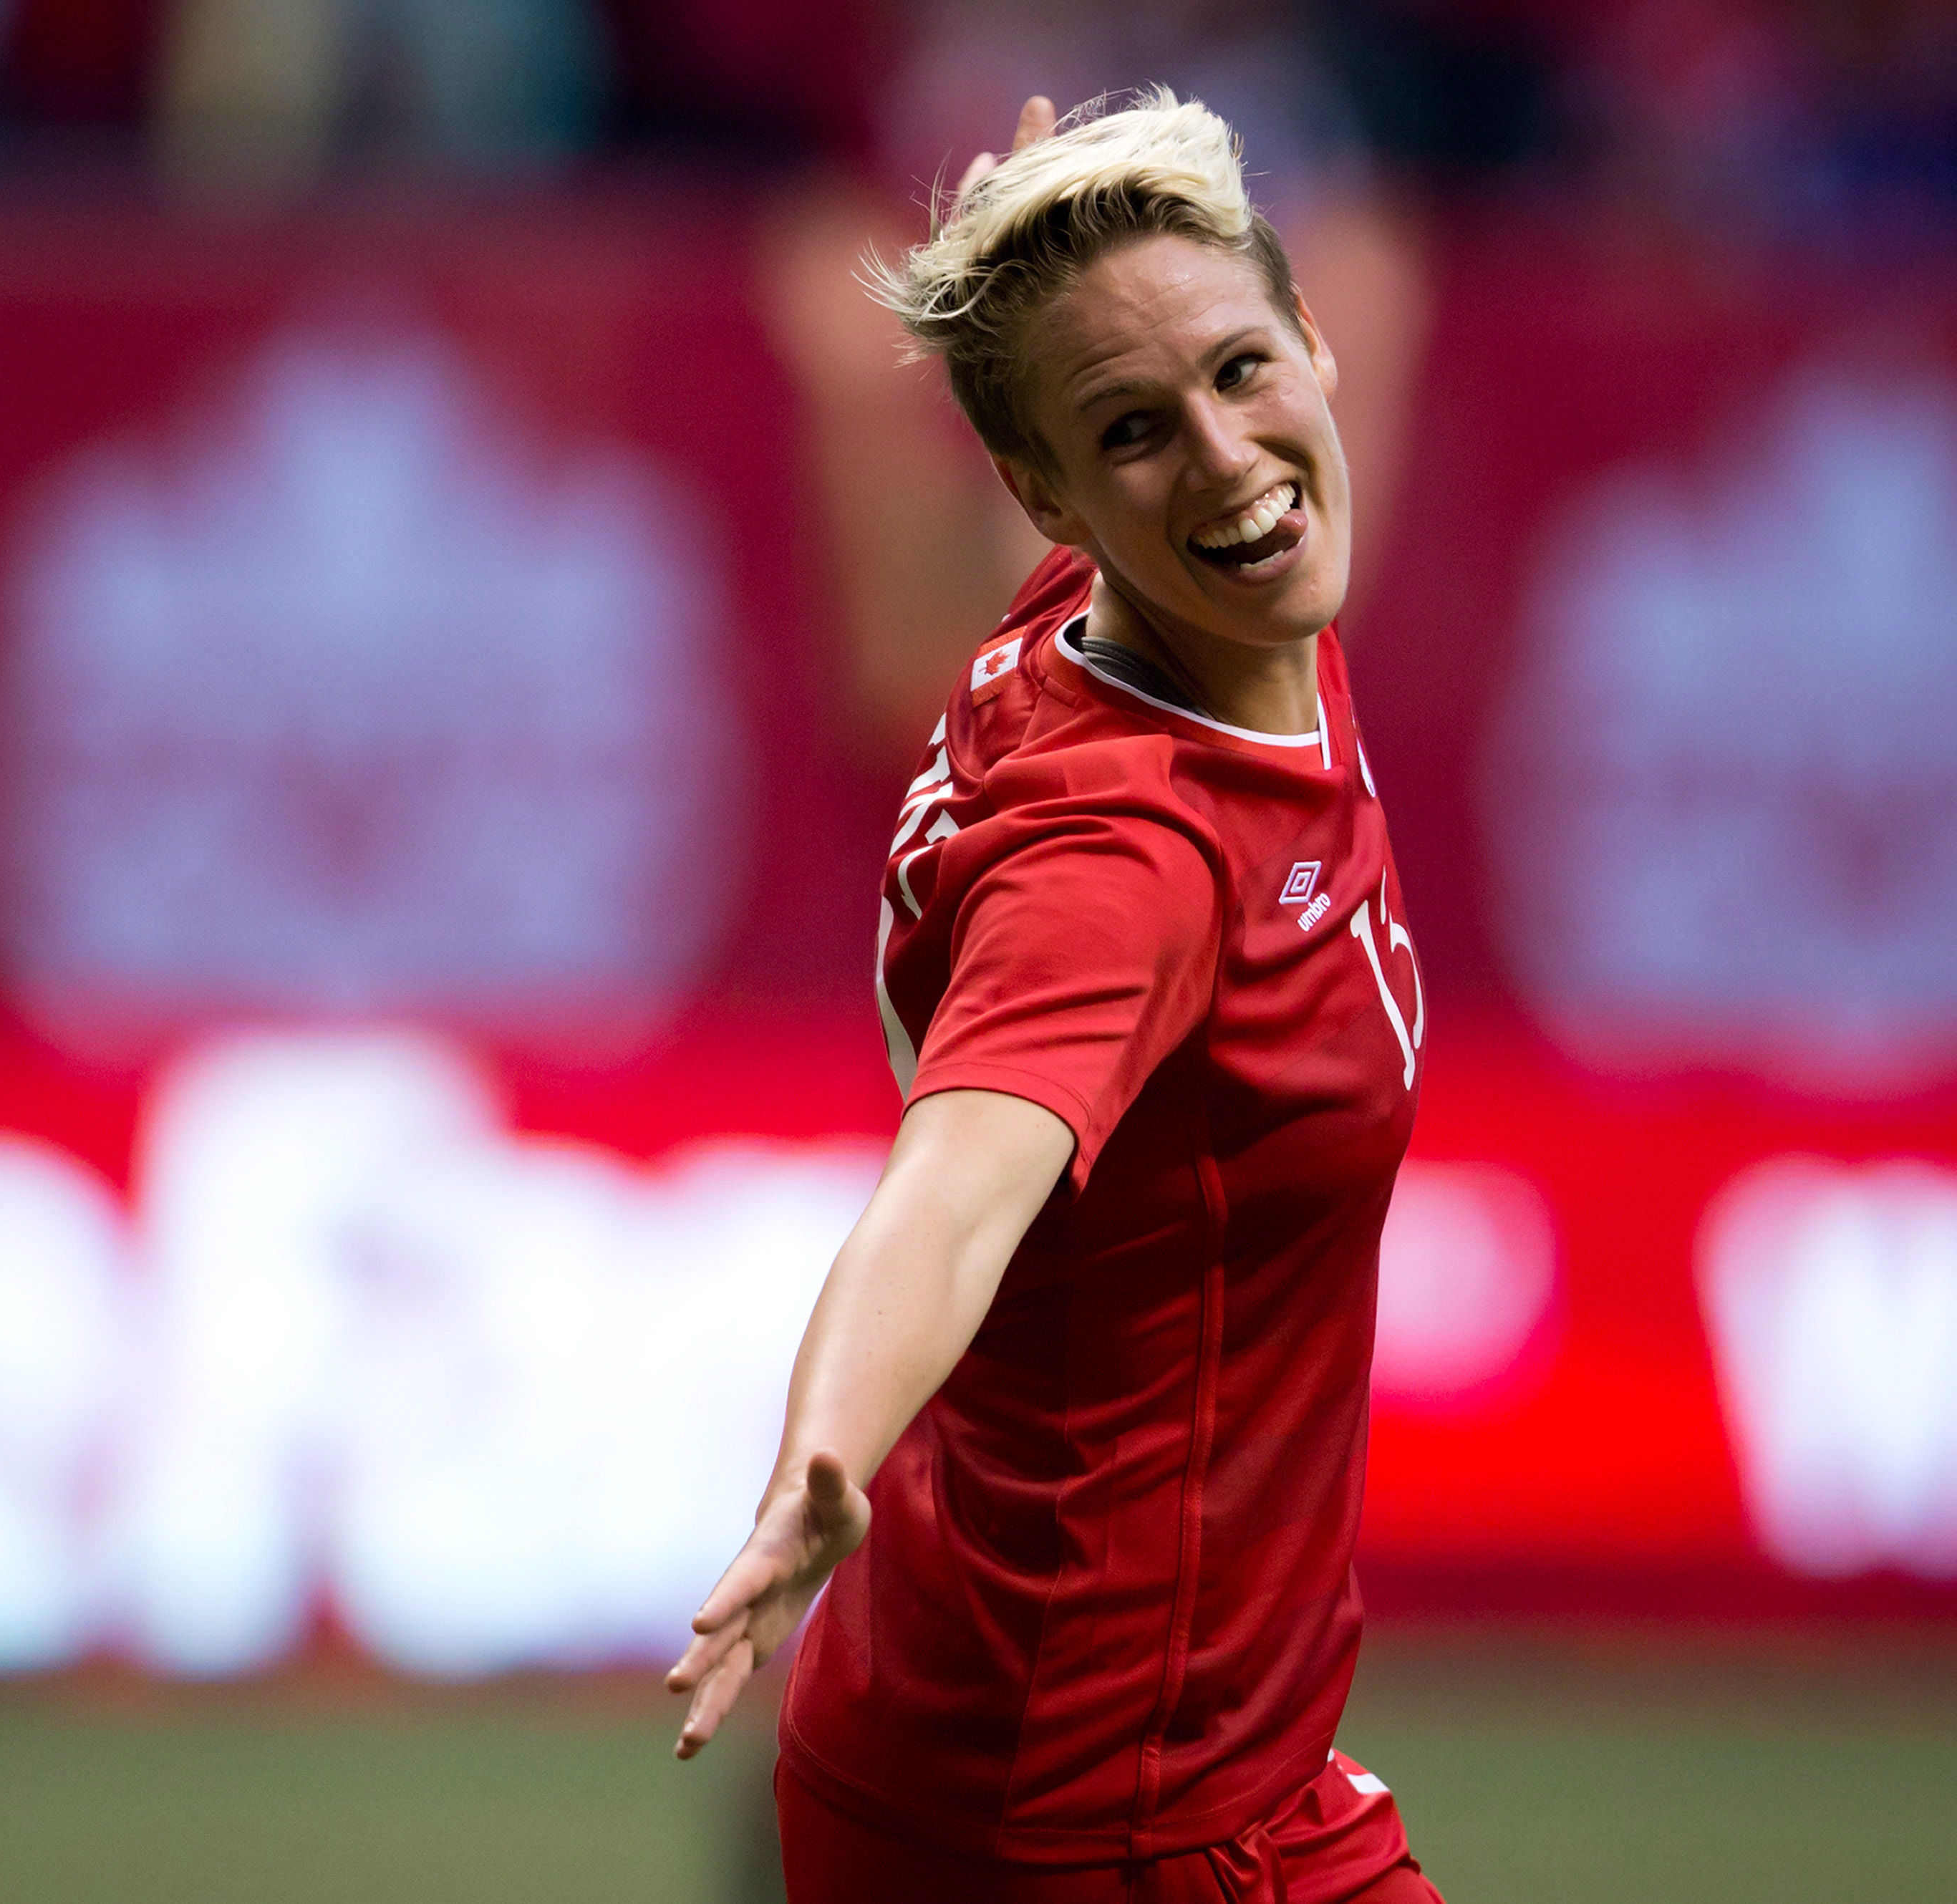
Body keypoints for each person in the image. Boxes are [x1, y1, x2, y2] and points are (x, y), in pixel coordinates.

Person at [666, 90, 1443, 1903]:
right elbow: (952, 1190)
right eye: (1130, 429)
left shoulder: (1144, 614)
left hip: (1159, 1743)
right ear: (1048, 496)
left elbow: (1137, 392)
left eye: (1240, 369)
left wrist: (1046, 252)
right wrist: (817, 1454)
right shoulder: (1126, 863)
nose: (1226, 460)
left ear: (1308, 337)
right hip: (1087, 1809)